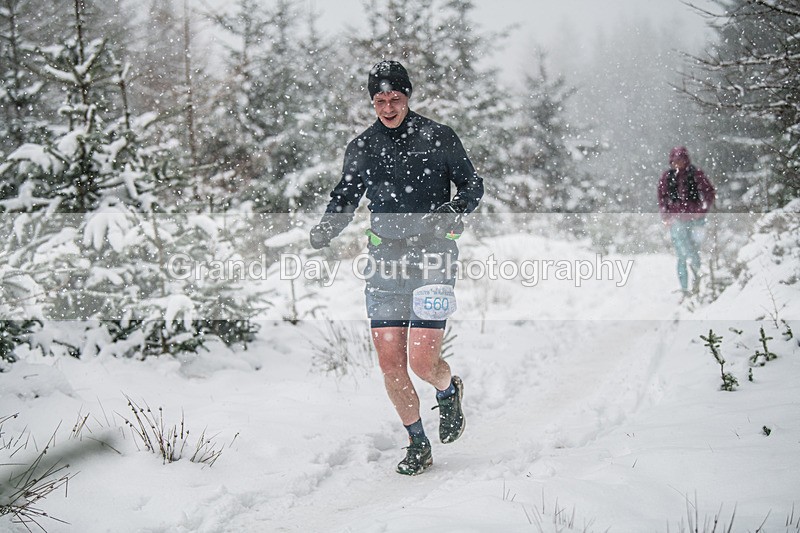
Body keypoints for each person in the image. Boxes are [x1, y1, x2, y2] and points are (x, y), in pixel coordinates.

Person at [309, 60, 483, 475]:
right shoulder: (363, 146)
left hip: (434, 258)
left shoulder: (438, 137)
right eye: (380, 99)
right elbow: (346, 196)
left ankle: (447, 388)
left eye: (396, 98)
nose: (387, 107)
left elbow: (472, 185)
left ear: (408, 96)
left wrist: (454, 208)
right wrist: (327, 227)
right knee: (391, 364)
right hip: (385, 262)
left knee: (423, 363)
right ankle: (417, 442)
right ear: (372, 101)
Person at [657, 146, 716, 298]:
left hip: (696, 221)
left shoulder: (696, 174)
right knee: (682, 255)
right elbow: (662, 199)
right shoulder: (667, 177)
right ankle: (685, 291)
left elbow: (709, 192)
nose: (678, 163)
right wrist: (667, 216)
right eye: (675, 160)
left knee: (694, 253)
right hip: (677, 221)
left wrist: (701, 211)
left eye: (681, 160)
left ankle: (697, 287)